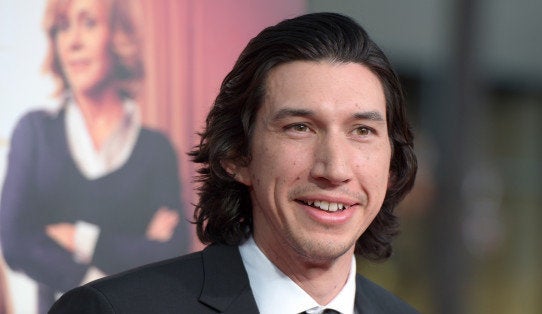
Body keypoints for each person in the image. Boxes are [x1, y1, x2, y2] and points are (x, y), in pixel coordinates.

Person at [49, 12, 419, 313]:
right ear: (236, 155)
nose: (335, 169)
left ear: (391, 164)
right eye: (300, 127)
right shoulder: (115, 310)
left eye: (362, 131)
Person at [0, 0, 189, 312]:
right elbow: (17, 242)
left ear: (118, 36)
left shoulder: (156, 150)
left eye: (88, 23)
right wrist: (94, 284)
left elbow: (171, 254)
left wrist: (80, 237)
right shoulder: (34, 133)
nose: (73, 42)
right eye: (63, 27)